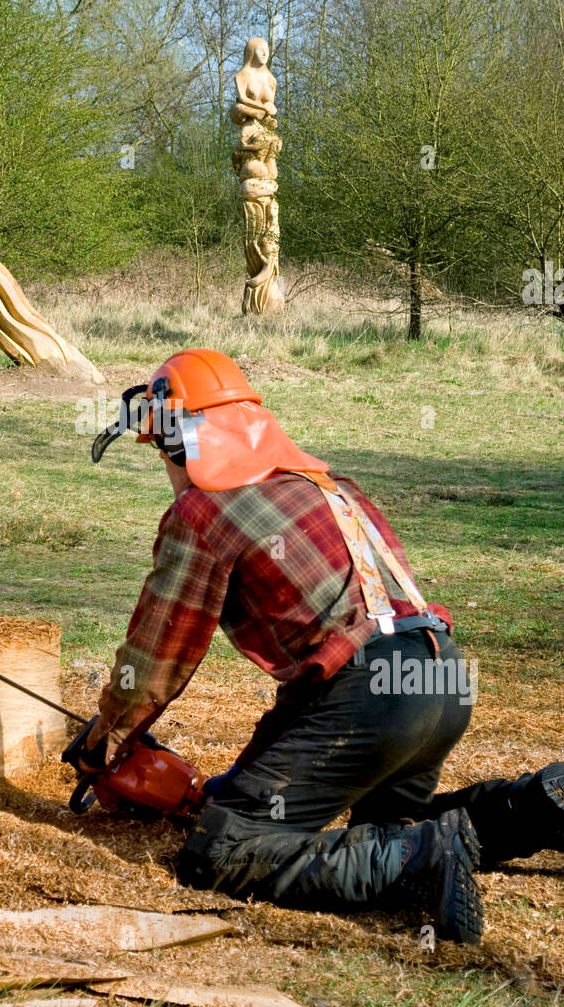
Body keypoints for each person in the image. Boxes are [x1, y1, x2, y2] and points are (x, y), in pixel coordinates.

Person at [75, 348, 564, 945]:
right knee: (384, 827)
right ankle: (539, 805)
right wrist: (231, 786)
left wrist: (108, 739)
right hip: (438, 678)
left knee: (226, 849)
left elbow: (158, 656)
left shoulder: (205, 510)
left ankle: (424, 856)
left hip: (369, 700)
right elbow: (321, 677)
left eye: (160, 451)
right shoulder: (333, 488)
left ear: (179, 441)